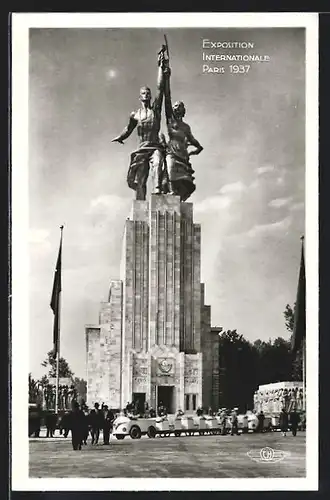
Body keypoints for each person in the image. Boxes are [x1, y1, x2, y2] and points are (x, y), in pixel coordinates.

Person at [112, 48, 168, 201]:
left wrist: (160, 67)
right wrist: (120, 137)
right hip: (142, 150)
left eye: (148, 93)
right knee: (141, 180)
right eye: (144, 93)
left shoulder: (155, 110)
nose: (147, 95)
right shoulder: (135, 115)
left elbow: (160, 88)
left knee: (158, 162)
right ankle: (140, 205)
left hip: (154, 147)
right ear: (139, 97)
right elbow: (128, 129)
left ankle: (157, 191)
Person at [162, 58, 203, 202]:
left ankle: (178, 197)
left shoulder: (186, 127)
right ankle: (171, 193)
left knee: (186, 182)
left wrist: (195, 150)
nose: (176, 107)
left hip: (183, 155)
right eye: (175, 106)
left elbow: (195, 142)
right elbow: (167, 98)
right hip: (171, 152)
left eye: (180, 106)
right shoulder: (170, 120)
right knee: (170, 169)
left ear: (183, 110)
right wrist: (166, 77)